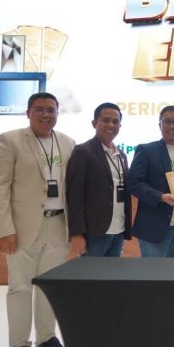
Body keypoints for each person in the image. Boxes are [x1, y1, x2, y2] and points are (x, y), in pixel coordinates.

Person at [0, 92, 75, 347]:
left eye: (51, 110)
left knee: (50, 287)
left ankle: (46, 340)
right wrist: (5, 229)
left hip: (58, 225)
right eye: (39, 109)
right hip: (22, 228)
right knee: (20, 288)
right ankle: (20, 346)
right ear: (28, 113)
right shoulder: (10, 140)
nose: (46, 115)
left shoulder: (67, 142)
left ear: (57, 113)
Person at [127, 105, 174, 257]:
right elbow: (133, 183)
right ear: (160, 125)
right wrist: (160, 197)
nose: (171, 126)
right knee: (154, 273)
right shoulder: (146, 150)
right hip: (154, 229)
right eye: (167, 122)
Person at [66, 102, 132, 257]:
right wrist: (77, 233)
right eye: (106, 120)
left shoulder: (121, 155)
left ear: (120, 126)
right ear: (94, 123)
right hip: (94, 233)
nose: (111, 125)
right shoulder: (83, 151)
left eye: (115, 121)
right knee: (91, 273)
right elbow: (74, 195)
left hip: (118, 231)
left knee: (111, 273)